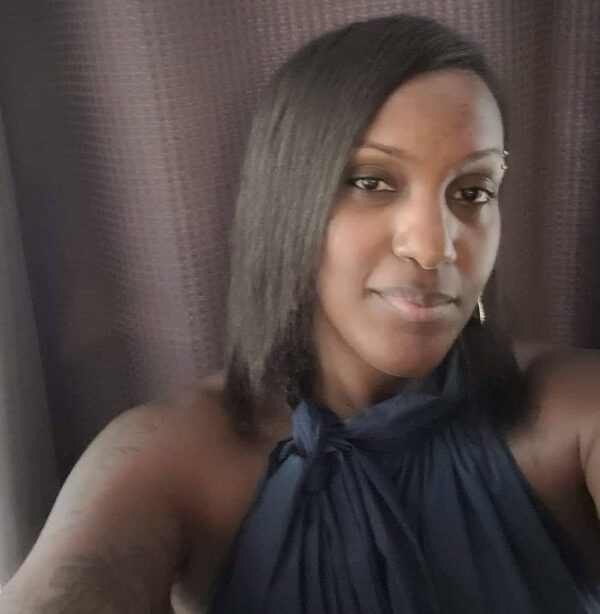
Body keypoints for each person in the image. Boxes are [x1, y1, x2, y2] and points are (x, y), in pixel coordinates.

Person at [1, 13, 600, 614]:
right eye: (371, 181)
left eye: (472, 192)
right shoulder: (173, 459)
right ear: (289, 203)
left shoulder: (573, 410)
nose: (433, 246)